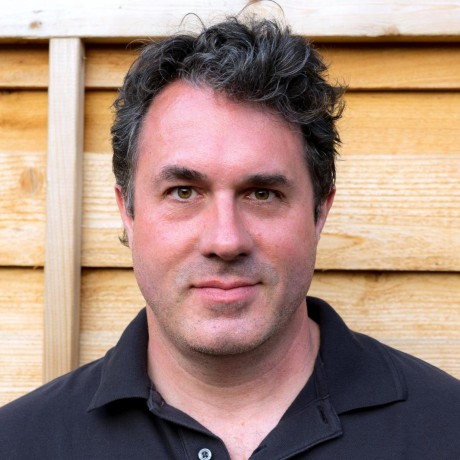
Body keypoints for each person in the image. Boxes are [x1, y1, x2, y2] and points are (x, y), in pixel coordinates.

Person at [1, 16, 459, 460]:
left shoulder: (447, 430)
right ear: (128, 212)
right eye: (183, 192)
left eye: (262, 193)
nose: (225, 241)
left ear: (320, 211)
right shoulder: (19, 444)